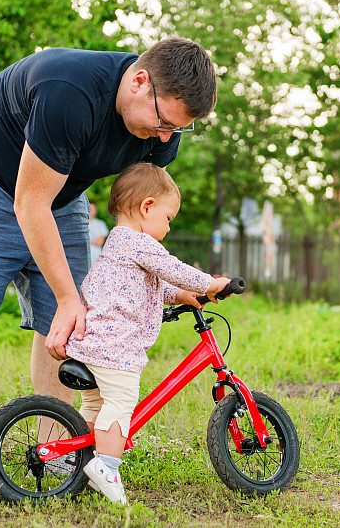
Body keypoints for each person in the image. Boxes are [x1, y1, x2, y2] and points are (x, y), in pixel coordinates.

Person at [0, 37, 217, 497]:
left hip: (58, 192)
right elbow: (29, 201)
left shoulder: (162, 133)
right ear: (139, 81)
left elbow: (137, 217)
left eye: (178, 129)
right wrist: (67, 295)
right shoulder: (71, 92)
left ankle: (55, 450)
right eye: (162, 123)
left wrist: (164, 279)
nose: (166, 137)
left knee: (72, 323)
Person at [64, 163, 230, 504]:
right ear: (147, 207)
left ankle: (72, 458)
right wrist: (210, 283)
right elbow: (172, 269)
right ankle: (106, 465)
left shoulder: (121, 244)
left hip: (95, 345)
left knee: (95, 404)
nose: (169, 227)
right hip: (114, 348)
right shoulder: (137, 242)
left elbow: (154, 284)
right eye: (168, 218)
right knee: (122, 400)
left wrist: (184, 295)